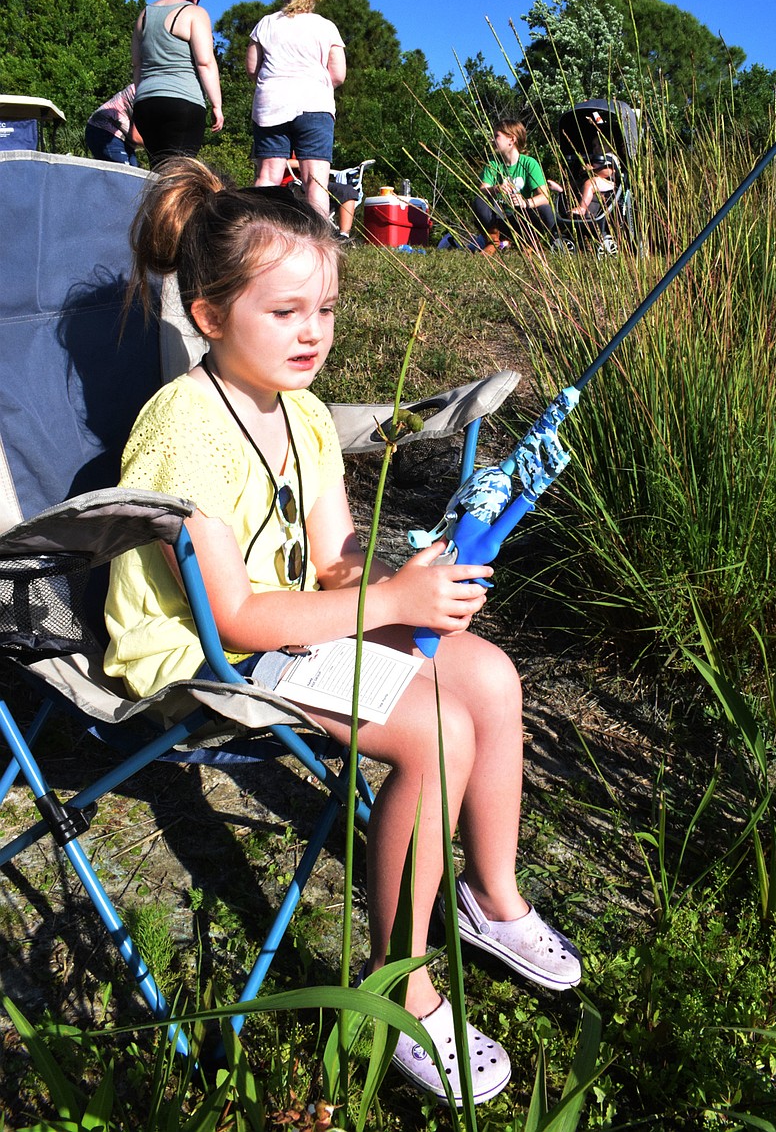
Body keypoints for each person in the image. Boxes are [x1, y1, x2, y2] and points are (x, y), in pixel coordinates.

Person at [103, 158, 582, 1108]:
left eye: (324, 308)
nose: (313, 333)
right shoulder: (180, 430)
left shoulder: (308, 415)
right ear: (208, 314)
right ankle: (397, 989)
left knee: (488, 676)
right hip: (202, 649)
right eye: (285, 312)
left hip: (291, 625)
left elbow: (333, 564)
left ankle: (492, 897)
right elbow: (235, 616)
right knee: (435, 730)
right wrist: (393, 605)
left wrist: (418, 574)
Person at [245, 0, 346, 218]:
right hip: (315, 104)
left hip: (271, 105)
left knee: (268, 175)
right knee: (315, 180)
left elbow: (251, 69)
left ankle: (259, 236)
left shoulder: (266, 24)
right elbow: (338, 74)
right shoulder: (326, 27)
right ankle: (319, 242)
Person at [132, 0, 224, 167]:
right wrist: (217, 105)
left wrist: (144, 94)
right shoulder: (194, 13)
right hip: (182, 103)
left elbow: (137, 64)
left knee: (157, 169)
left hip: (145, 104)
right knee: (180, 173)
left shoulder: (144, 14)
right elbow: (205, 63)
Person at [473, 120, 555, 255]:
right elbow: (482, 189)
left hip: (522, 219)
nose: (492, 140)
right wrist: (496, 189)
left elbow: (545, 197)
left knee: (547, 211)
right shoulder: (493, 164)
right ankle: (493, 241)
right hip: (500, 219)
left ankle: (530, 243)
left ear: (512, 139)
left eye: (497, 136)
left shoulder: (529, 163)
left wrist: (526, 202)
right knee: (479, 201)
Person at [85, 84, 142, 166]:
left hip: (124, 139)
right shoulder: (145, 95)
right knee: (124, 174)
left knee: (133, 173)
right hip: (103, 130)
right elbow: (136, 137)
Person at [550, 153, 617, 219]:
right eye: (594, 145)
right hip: (594, 179)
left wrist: (591, 171)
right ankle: (563, 187)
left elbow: (608, 172)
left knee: (589, 183)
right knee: (578, 182)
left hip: (607, 181)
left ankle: (582, 208)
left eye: (599, 145)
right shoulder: (593, 157)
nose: (596, 148)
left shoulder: (609, 156)